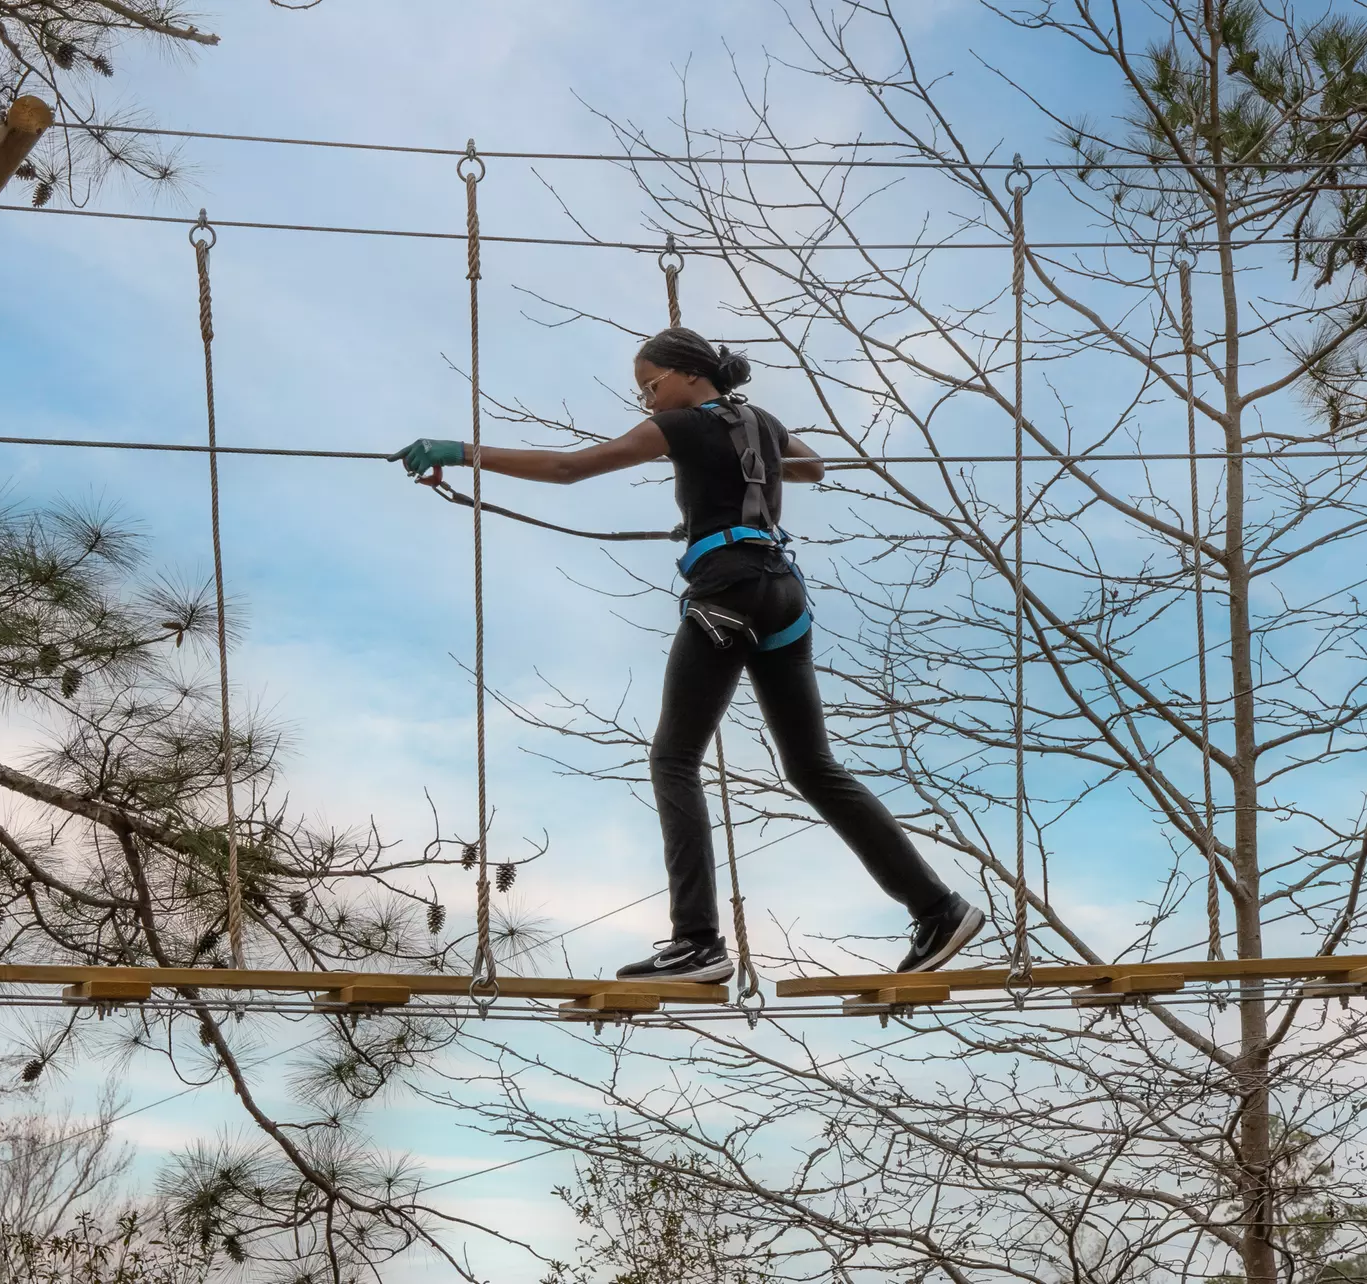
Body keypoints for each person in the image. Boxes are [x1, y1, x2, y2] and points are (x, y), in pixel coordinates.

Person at [389, 327, 985, 982]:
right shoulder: (761, 419)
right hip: (781, 595)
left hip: (727, 592)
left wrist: (464, 450)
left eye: (650, 385)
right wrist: (736, 473)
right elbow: (812, 467)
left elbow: (568, 469)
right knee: (813, 767)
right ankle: (936, 908)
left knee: (674, 759)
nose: (646, 402)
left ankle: (697, 942)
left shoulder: (679, 428)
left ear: (688, 374)